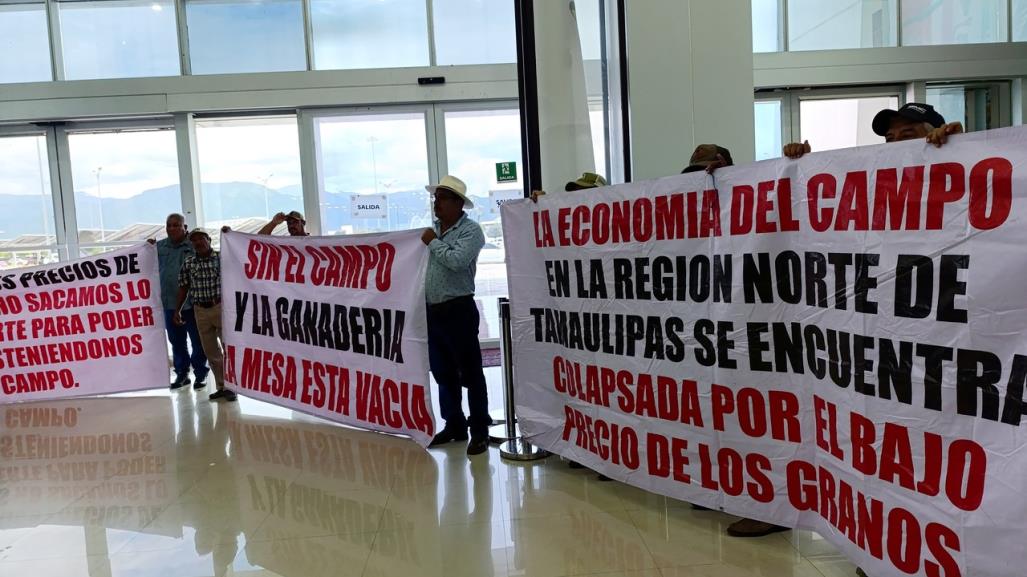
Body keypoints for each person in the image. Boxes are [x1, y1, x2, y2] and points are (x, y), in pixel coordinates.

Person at [421, 175, 490, 456]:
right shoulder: (432, 230)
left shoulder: (471, 232)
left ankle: (479, 431)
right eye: (435, 198)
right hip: (433, 311)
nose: (436, 203)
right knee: (442, 372)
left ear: (458, 203)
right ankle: (455, 425)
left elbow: (457, 261)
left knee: (470, 373)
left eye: (441, 198)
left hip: (458, 308)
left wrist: (432, 243)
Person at [174, 229, 236, 402]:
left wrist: (230, 235)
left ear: (209, 240)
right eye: (194, 240)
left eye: (201, 239)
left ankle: (233, 386)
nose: (198, 243)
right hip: (200, 310)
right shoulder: (189, 262)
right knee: (211, 351)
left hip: (220, 307)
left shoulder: (222, 258)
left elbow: (241, 257)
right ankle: (222, 386)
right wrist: (177, 309)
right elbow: (183, 287)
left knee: (228, 348)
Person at [783, 102, 963, 159]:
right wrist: (802, 166)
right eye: (890, 139)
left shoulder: (956, 168)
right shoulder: (877, 182)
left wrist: (959, 148)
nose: (896, 145)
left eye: (907, 136)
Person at [152, 214, 209, 390]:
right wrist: (146, 246)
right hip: (169, 303)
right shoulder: (159, 247)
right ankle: (182, 374)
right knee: (177, 342)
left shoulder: (194, 245)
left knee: (198, 341)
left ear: (185, 228)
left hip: (192, 303)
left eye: (177, 225)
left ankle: (200, 374)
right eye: (169, 225)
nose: (172, 228)